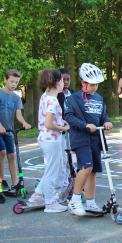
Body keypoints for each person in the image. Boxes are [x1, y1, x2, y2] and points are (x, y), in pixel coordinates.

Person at [65, 63, 113, 216]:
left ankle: (91, 203)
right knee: (85, 167)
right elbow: (69, 117)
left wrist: (107, 121)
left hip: (96, 139)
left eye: (97, 85)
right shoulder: (74, 99)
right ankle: (75, 199)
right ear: (83, 83)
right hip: (81, 138)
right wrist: (85, 125)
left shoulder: (99, 99)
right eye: (92, 85)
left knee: (93, 170)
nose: (95, 88)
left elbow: (102, 114)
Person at [28, 69, 69, 213]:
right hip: (51, 140)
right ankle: (50, 203)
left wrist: (60, 121)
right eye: (62, 81)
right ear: (58, 82)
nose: (64, 83)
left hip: (45, 138)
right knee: (53, 172)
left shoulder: (45, 96)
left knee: (51, 170)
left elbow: (49, 119)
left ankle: (37, 195)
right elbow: (49, 124)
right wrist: (64, 128)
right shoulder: (53, 100)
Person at [0, 69, 32, 193]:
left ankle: (15, 184)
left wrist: (24, 123)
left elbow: (18, 115)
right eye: (12, 81)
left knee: (12, 156)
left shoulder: (16, 98)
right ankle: (1, 180)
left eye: (16, 82)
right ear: (5, 80)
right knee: (2, 152)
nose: (14, 84)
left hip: (9, 131)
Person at [56, 68, 76, 199]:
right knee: (63, 158)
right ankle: (62, 184)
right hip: (62, 130)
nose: (66, 82)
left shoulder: (72, 93)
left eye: (68, 79)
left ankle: (70, 180)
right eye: (63, 80)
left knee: (71, 157)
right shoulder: (57, 95)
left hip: (72, 128)